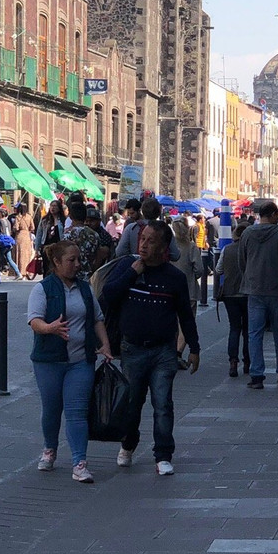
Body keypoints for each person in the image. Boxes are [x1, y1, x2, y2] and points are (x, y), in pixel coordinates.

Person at [102, 222, 199, 475]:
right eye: (142, 239)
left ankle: (163, 454)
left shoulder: (174, 278)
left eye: (150, 241)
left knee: (163, 403)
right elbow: (108, 296)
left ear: (164, 247)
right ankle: (128, 444)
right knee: (132, 403)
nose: (143, 244)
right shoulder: (127, 267)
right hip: (132, 349)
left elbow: (185, 316)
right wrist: (132, 273)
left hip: (163, 351)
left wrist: (194, 348)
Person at [27, 240, 112, 483]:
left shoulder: (85, 289)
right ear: (56, 262)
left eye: (78, 260)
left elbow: (97, 318)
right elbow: (34, 321)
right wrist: (49, 328)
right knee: (52, 409)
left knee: (77, 412)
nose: (77, 265)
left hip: (80, 361)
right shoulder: (43, 289)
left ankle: (79, 462)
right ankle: (50, 448)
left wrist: (104, 344)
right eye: (71, 260)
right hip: (49, 361)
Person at [240, 200, 278, 389]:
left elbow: (243, 261)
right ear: (273, 214)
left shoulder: (248, 233)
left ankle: (257, 374)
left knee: (254, 333)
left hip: (255, 289)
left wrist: (249, 278)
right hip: (277, 290)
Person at [214, 223, 249, 377]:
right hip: (248, 293)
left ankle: (233, 362)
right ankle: (248, 361)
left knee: (234, 328)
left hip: (229, 294)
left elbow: (218, 270)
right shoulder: (251, 250)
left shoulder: (226, 249)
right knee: (249, 330)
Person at [170, 219, 204, 367]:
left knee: (172, 322)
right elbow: (199, 269)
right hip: (189, 290)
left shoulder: (169, 247)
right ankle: (178, 352)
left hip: (170, 290)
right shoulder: (191, 247)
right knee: (186, 322)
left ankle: (172, 352)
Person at [115, 197, 181, 260]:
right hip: (159, 269)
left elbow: (120, 252)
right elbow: (175, 255)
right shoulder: (165, 229)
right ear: (159, 211)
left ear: (142, 211)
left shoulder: (131, 228)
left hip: (136, 268)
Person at [63, 201, 103, 277]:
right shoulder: (94, 234)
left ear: (70, 216)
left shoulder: (67, 234)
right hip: (88, 275)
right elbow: (98, 256)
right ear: (85, 217)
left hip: (71, 275)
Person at [13, 203, 36, 276]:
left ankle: (20, 270)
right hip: (27, 236)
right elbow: (33, 228)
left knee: (19, 253)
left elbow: (16, 227)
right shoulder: (29, 217)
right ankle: (27, 271)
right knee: (27, 254)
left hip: (20, 235)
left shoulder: (18, 217)